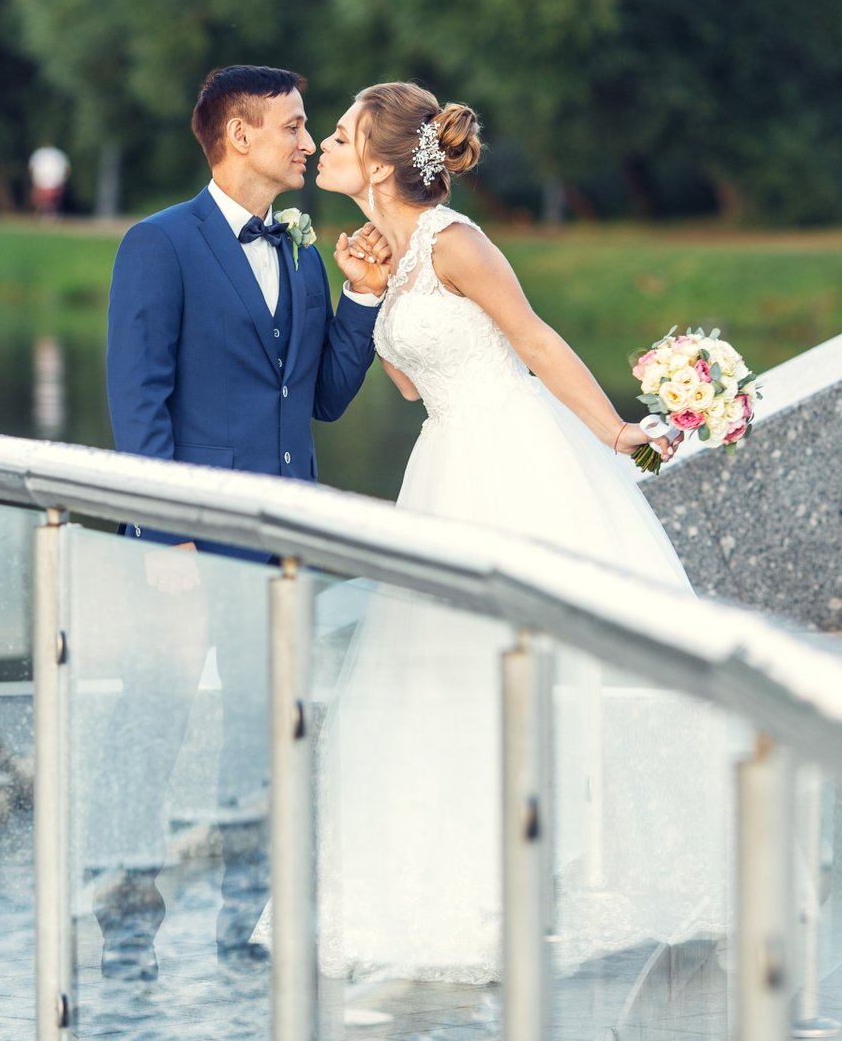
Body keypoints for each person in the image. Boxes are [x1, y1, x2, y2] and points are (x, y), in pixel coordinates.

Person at [307, 81, 724, 983]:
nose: (325, 146)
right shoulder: (396, 254)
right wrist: (367, 291)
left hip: (511, 458)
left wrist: (615, 431)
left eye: (340, 134)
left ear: (379, 162)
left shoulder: (456, 242)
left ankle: (567, 883)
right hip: (443, 464)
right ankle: (460, 894)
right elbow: (412, 385)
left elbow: (532, 339)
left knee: (530, 668)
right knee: (443, 675)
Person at [96, 65, 392, 980]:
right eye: (295, 127)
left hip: (281, 547)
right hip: (184, 548)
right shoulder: (159, 243)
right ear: (239, 135)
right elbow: (137, 399)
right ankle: (125, 933)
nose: (309, 142)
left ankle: (241, 929)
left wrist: (362, 299)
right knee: (152, 730)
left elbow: (323, 397)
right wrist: (166, 533)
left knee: (261, 740)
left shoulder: (302, 248)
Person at [28, 145, 69, 218]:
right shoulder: (39, 155)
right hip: (43, 180)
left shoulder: (57, 155)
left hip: (52, 180)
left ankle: (49, 212)